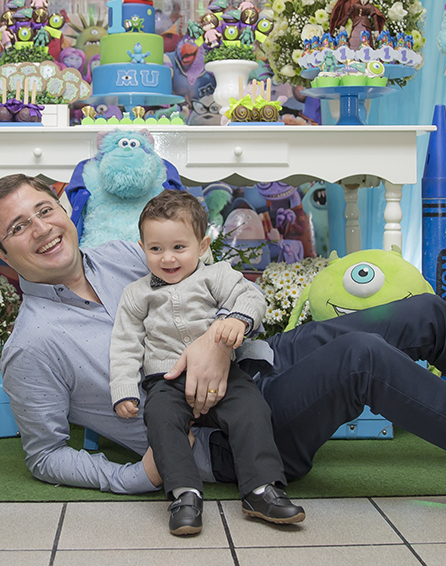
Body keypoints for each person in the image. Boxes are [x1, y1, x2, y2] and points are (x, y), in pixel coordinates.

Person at [0, 174, 446, 522]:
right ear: (3, 255)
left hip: (258, 364)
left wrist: (223, 334)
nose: (41, 229)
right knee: (362, 359)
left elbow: (229, 290)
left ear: (64, 209)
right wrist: (140, 474)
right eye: (19, 228)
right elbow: (44, 456)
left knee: (422, 315)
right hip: (227, 437)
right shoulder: (33, 346)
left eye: (45, 209)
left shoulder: (122, 255)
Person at [110, 190, 304, 535]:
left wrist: (237, 319)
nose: (168, 258)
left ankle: (261, 489)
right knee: (161, 419)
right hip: (166, 379)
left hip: (223, 373)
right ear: (142, 248)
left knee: (251, 410)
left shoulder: (216, 275)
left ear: (202, 246)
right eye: (156, 249)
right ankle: (184, 494)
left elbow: (251, 296)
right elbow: (125, 343)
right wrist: (124, 388)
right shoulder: (137, 293)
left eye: (179, 247)